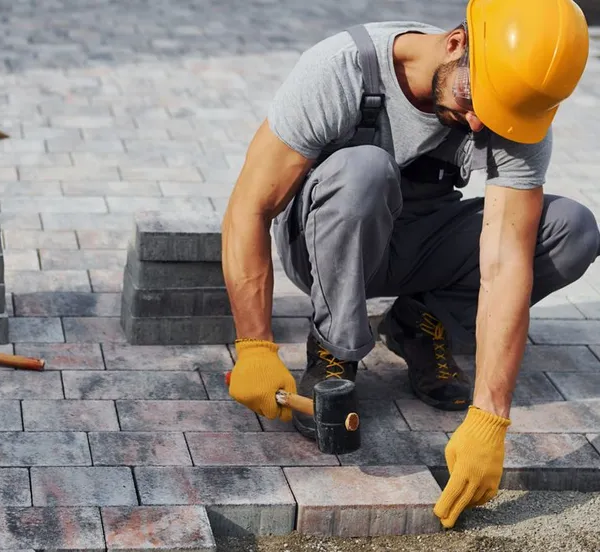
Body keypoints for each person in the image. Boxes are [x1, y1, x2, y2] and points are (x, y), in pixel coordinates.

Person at [221, 0, 599, 530]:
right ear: (455, 42)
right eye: (474, 97)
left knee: (571, 228)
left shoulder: (515, 110)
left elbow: (506, 262)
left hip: (421, 240)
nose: (478, 121)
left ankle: (421, 323)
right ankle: (333, 347)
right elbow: (249, 206)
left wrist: (491, 419)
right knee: (365, 170)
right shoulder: (341, 68)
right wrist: (254, 343)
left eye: (497, 111)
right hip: (330, 243)